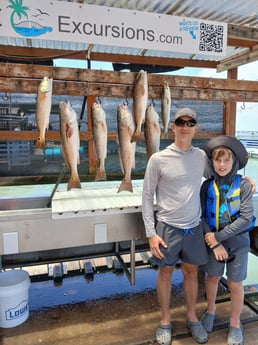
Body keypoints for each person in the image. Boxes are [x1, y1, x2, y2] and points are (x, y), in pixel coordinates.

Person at [142, 107, 210, 345]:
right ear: (172, 126)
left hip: (194, 227)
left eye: (190, 122)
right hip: (167, 227)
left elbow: (221, 173)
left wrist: (246, 179)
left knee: (192, 273)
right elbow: (147, 196)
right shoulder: (157, 158)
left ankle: (192, 317)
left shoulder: (201, 156)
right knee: (166, 272)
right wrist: (151, 234)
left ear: (196, 128)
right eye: (180, 121)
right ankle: (165, 320)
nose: (185, 126)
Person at [200, 136, 255, 345]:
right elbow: (202, 216)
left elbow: (246, 218)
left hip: (237, 242)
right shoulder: (206, 187)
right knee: (212, 277)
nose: (221, 165)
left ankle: (234, 323)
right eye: (217, 160)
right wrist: (214, 242)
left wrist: (219, 237)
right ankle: (211, 311)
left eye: (226, 161)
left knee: (235, 283)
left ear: (234, 163)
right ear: (212, 163)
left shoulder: (245, 186)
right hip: (212, 243)